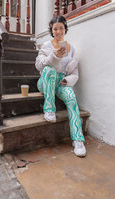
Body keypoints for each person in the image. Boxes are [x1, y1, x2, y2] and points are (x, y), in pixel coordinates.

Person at [35, 15, 86, 157]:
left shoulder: (71, 49)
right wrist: (54, 56)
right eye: (55, 29)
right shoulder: (46, 46)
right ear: (52, 31)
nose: (58, 31)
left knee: (71, 97)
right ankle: (49, 109)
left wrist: (67, 81)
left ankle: (78, 140)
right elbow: (39, 65)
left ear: (65, 29)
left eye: (61, 28)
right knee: (49, 70)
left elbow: (74, 73)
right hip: (45, 81)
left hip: (60, 82)